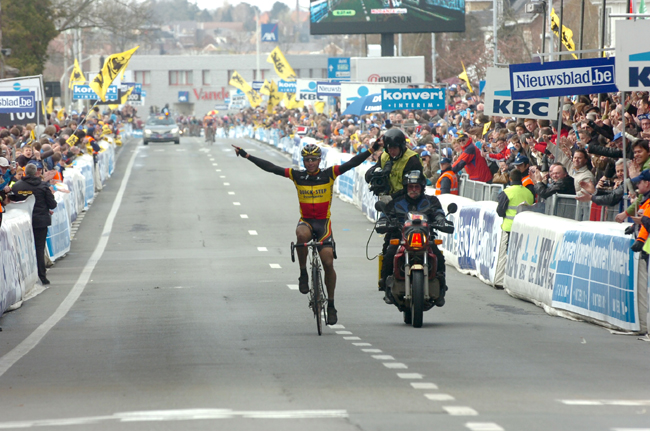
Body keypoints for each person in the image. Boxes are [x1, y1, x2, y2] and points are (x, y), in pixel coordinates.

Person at [232, 142, 381, 325]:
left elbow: (351, 163)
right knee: (301, 236)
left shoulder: (330, 173)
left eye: (313, 159)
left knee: (328, 262)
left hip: (323, 224)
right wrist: (248, 156)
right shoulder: (297, 175)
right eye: (307, 160)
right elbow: (271, 168)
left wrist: (371, 150)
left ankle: (331, 305)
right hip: (307, 222)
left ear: (320, 160)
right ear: (303, 161)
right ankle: (303, 273)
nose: (310, 163)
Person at [377, 171, 448, 307]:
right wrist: (384, 221)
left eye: (416, 187)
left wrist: (441, 220)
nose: (414, 190)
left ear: (422, 187)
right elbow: (385, 215)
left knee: (438, 255)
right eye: (411, 187)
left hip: (425, 238)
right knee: (390, 253)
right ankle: (386, 287)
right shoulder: (396, 202)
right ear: (405, 187)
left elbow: (439, 213)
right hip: (400, 237)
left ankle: (441, 288)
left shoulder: (431, 201)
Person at [9, 162, 57, 285]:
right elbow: (52, 204)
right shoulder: (43, 186)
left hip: (21, 223)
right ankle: (42, 276)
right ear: (37, 172)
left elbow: (11, 201)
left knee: (23, 249)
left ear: (25, 172)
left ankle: (23, 278)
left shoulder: (17, 186)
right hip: (40, 221)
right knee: (39, 248)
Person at [495, 169, 535, 284]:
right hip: (524, 228)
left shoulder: (507, 192)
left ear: (510, 179)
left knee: (506, 255)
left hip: (509, 227)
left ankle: (502, 281)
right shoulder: (528, 192)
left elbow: (500, 211)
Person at [364, 128, 423, 197]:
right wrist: (379, 172)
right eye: (389, 148)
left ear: (401, 147)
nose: (392, 151)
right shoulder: (384, 156)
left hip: (407, 198)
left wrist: (392, 198)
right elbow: (367, 177)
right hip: (388, 194)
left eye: (394, 148)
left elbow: (413, 186)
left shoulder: (412, 160)